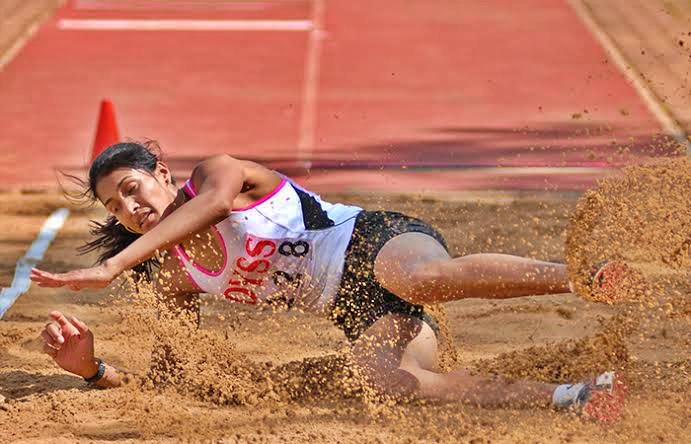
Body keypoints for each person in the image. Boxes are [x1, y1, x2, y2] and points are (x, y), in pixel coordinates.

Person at [32, 141, 627, 421]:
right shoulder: (170, 277)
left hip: (376, 242)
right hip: (357, 306)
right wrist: (92, 370)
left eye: (133, 187)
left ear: (163, 173)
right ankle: (576, 395)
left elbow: (214, 205)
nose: (130, 207)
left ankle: (584, 279)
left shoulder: (218, 173)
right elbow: (174, 376)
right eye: (116, 206)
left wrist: (113, 264)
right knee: (391, 384)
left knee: (417, 277)